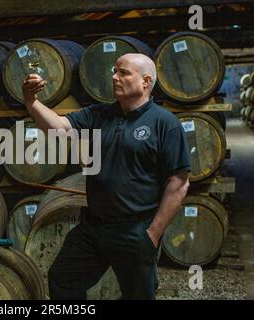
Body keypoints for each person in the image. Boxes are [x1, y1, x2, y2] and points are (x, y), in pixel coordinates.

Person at [22, 53, 190, 300]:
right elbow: (59, 128)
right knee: (62, 280)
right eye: (114, 71)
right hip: (93, 227)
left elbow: (178, 183)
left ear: (145, 81)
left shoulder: (165, 123)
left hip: (134, 229)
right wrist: (30, 100)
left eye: (123, 73)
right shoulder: (99, 114)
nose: (114, 77)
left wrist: (153, 233)